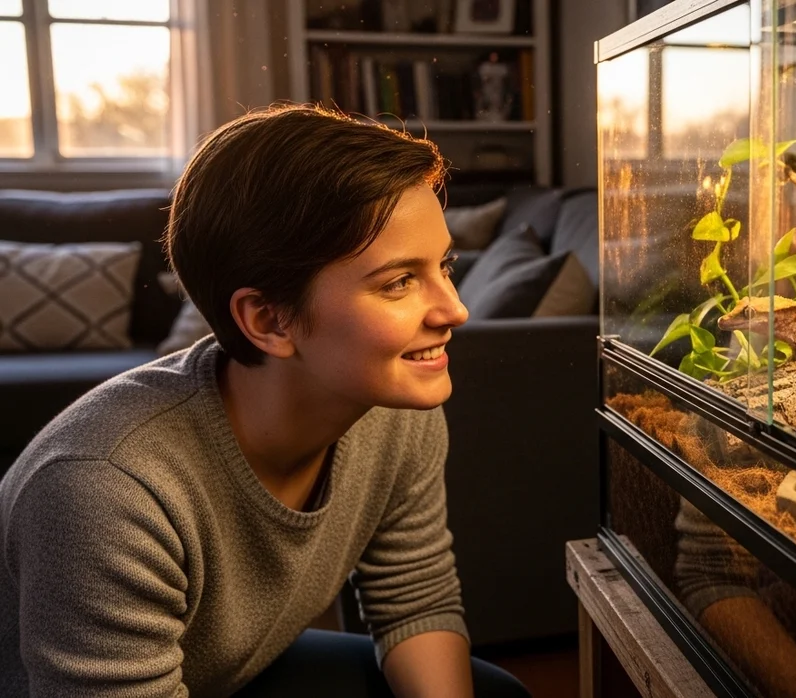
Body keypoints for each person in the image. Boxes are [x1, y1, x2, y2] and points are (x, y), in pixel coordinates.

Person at [0, 103, 531, 698]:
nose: (455, 309)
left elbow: (415, 597)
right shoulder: (105, 489)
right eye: (399, 282)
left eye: (444, 266)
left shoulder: (393, 409)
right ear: (269, 320)